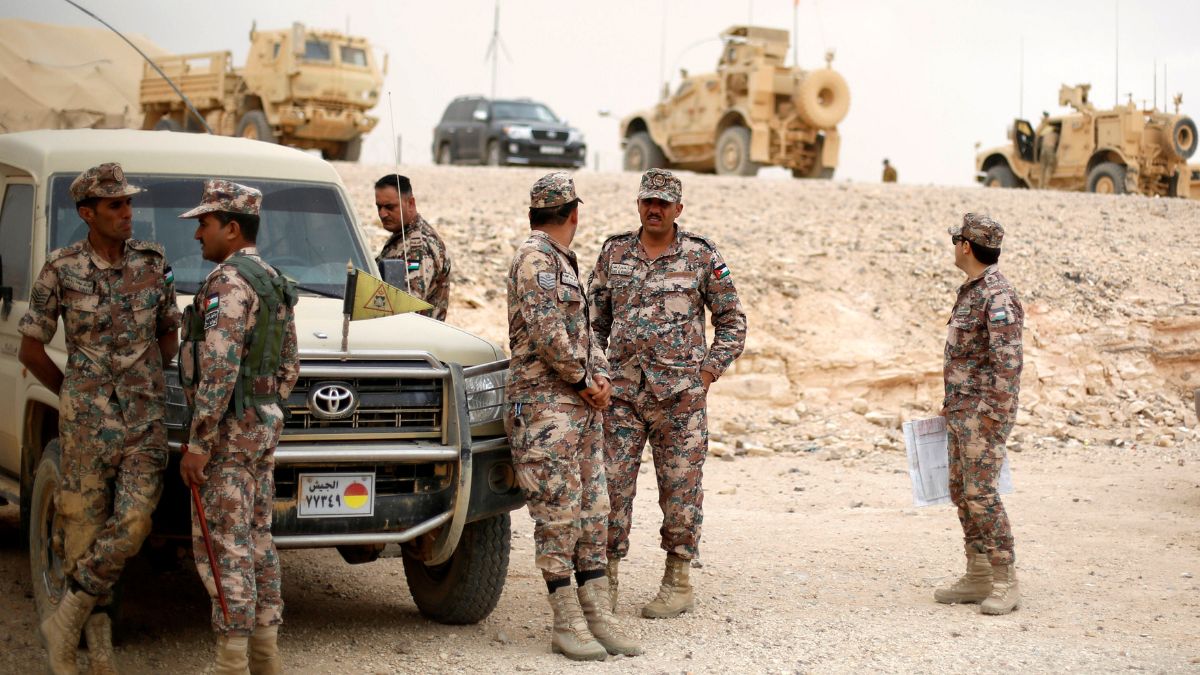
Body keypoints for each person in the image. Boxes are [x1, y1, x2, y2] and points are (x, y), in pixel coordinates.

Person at [19, 162, 181, 674]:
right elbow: (30, 348)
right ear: (88, 213)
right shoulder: (61, 268)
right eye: (115, 205)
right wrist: (73, 392)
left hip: (143, 421)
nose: (128, 213)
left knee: (133, 522)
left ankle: (64, 618)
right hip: (85, 424)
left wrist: (141, 380)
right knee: (83, 534)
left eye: (129, 203)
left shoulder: (153, 264)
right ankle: (99, 651)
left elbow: (169, 335)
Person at [587, 168, 746, 619]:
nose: (653, 210)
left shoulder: (700, 256)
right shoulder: (614, 252)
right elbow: (593, 322)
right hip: (619, 396)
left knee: (681, 492)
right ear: (638, 204)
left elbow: (733, 322)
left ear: (678, 208)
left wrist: (708, 373)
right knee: (610, 489)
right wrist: (597, 371)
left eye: (662, 203)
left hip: (680, 401)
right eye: (646, 202)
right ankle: (606, 579)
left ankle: (677, 580)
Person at [505, 172, 641, 661]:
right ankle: (566, 621)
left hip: (579, 411)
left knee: (594, 511)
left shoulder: (562, 261)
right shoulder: (535, 260)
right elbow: (548, 334)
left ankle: (598, 615)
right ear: (574, 214)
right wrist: (587, 381)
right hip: (546, 410)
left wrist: (599, 378)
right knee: (559, 515)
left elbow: (583, 334)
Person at [177, 180, 299, 673]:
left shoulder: (228, 284)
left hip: (228, 431)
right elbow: (289, 365)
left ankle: (232, 662)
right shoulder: (272, 279)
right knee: (258, 538)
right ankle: (266, 657)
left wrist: (199, 442)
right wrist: (266, 408)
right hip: (263, 423)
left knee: (223, 544)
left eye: (204, 224)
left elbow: (220, 367)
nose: (197, 235)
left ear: (231, 228)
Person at [935, 212, 1024, 616]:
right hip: (962, 410)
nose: (955, 246)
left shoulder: (997, 295)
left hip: (982, 415)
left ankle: (1005, 579)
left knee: (981, 494)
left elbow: (1008, 363)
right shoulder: (972, 291)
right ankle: (978, 572)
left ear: (966, 246)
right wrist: (952, 403)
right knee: (960, 491)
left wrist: (991, 417)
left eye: (957, 240)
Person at [374, 174, 452, 321]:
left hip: (416, 339)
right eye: (379, 207)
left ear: (410, 203)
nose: (382, 214)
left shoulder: (419, 246)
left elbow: (407, 308)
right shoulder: (402, 235)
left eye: (390, 207)